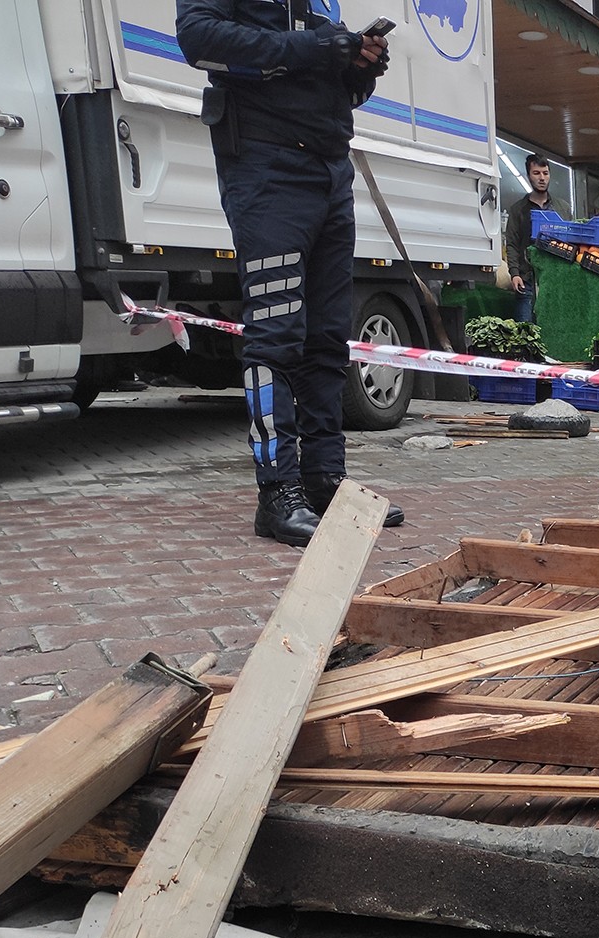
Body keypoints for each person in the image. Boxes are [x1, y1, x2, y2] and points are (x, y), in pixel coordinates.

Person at [177, 0, 404, 546]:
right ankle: (276, 495)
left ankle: (323, 479)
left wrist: (357, 66)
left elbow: (329, 77)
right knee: (276, 335)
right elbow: (198, 38)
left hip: (329, 169)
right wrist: (318, 47)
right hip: (267, 168)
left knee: (326, 338)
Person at [503, 155, 569, 324]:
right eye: (536, 173)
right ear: (528, 176)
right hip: (526, 278)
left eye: (545, 173)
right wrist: (515, 273)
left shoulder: (562, 208)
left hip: (555, 279)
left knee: (555, 327)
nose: (542, 178)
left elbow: (571, 241)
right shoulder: (518, 210)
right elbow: (512, 243)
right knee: (525, 330)